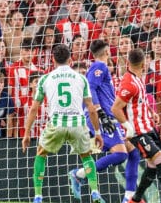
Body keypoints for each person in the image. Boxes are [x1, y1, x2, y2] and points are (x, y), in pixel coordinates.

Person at [21, 44, 105, 203]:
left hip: (57, 123)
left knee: (41, 154)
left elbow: (33, 109)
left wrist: (26, 133)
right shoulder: (81, 78)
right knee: (86, 156)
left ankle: (38, 196)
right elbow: (91, 109)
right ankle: (94, 192)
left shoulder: (45, 78)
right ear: (71, 59)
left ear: (52, 59)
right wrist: (98, 132)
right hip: (78, 124)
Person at [69, 40, 140, 203]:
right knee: (121, 154)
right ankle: (78, 174)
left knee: (133, 153)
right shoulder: (99, 66)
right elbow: (91, 88)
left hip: (109, 117)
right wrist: (100, 112)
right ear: (107, 52)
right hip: (103, 118)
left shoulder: (98, 67)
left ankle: (129, 197)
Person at [111, 48, 161, 203]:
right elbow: (115, 108)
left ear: (128, 62)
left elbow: (140, 99)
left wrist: (151, 111)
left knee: (152, 166)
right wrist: (128, 127)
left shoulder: (138, 78)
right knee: (160, 160)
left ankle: (135, 200)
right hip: (138, 132)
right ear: (144, 63)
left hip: (148, 127)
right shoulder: (129, 83)